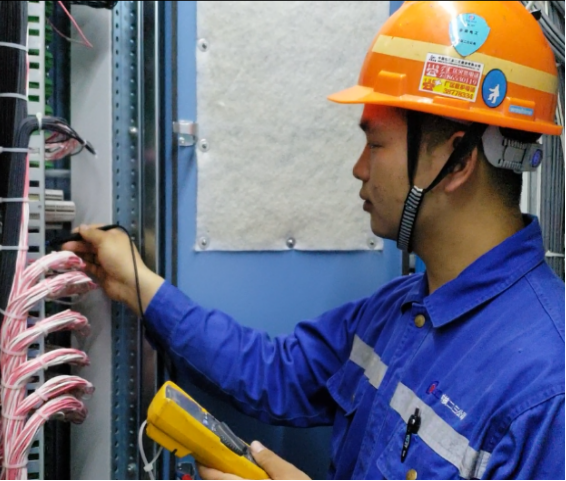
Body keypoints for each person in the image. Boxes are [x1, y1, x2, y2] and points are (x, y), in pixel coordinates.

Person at [65, 2, 565, 480]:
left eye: (375, 144)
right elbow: (275, 373)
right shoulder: (396, 311)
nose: (359, 169)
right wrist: (138, 284)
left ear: (455, 162)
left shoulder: (547, 390)